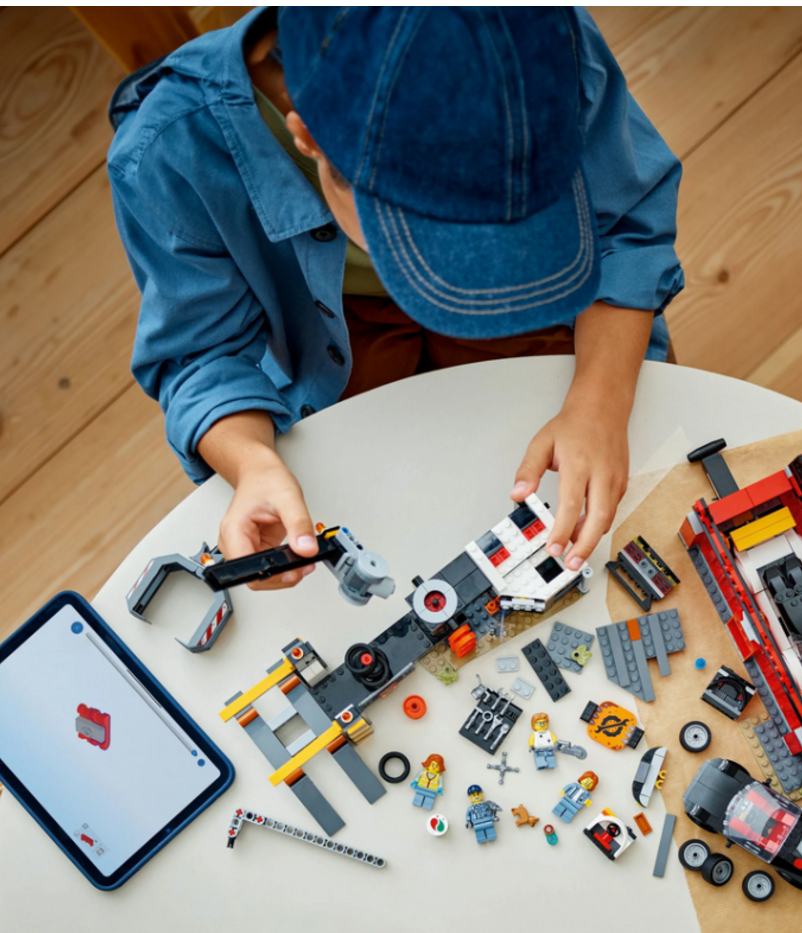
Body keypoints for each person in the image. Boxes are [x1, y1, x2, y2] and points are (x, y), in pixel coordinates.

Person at [108, 7, 683, 585]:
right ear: (308, 138)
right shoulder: (164, 151)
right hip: (335, 332)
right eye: (427, 235)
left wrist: (600, 403)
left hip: (544, 299)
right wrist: (252, 463)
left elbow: (626, 223)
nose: (468, 255)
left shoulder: (535, 33)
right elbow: (200, 356)